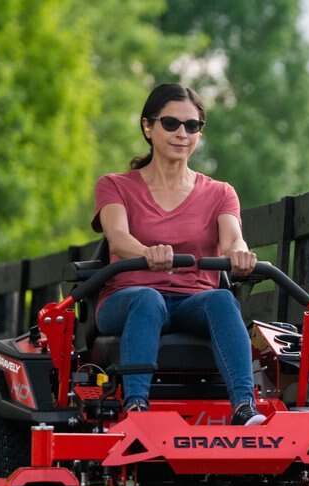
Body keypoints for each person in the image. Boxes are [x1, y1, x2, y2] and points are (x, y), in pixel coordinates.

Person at [91, 83, 264, 426]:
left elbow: (233, 240)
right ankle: (136, 407)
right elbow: (119, 238)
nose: (182, 133)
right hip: (127, 300)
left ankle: (245, 408)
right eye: (171, 124)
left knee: (221, 300)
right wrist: (147, 252)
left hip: (191, 302)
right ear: (148, 127)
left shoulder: (220, 193)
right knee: (148, 299)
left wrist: (241, 255)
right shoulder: (115, 185)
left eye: (192, 125)